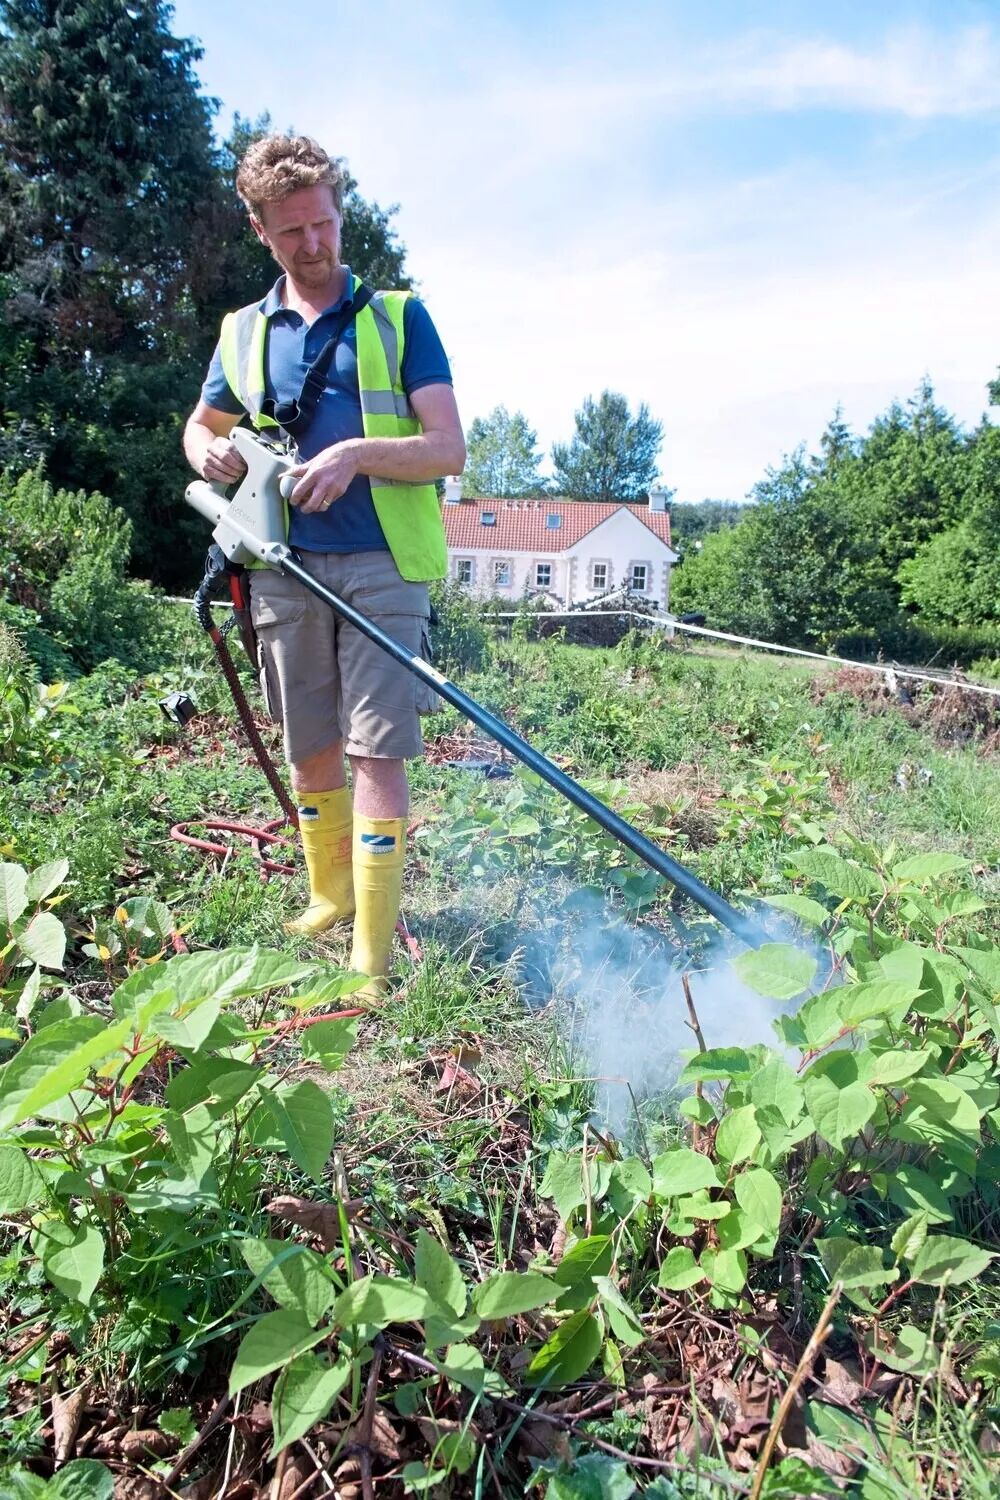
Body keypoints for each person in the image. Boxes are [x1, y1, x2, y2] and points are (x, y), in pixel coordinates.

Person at [183, 134, 465, 990]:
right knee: (308, 741)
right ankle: (330, 895)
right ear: (260, 230)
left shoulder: (399, 318)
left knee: (377, 751)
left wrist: (355, 455)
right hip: (280, 565)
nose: (313, 244)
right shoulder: (242, 331)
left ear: (340, 212)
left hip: (383, 564)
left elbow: (447, 447)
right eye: (291, 230)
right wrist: (207, 454)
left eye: (324, 223)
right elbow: (201, 426)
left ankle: (370, 949)